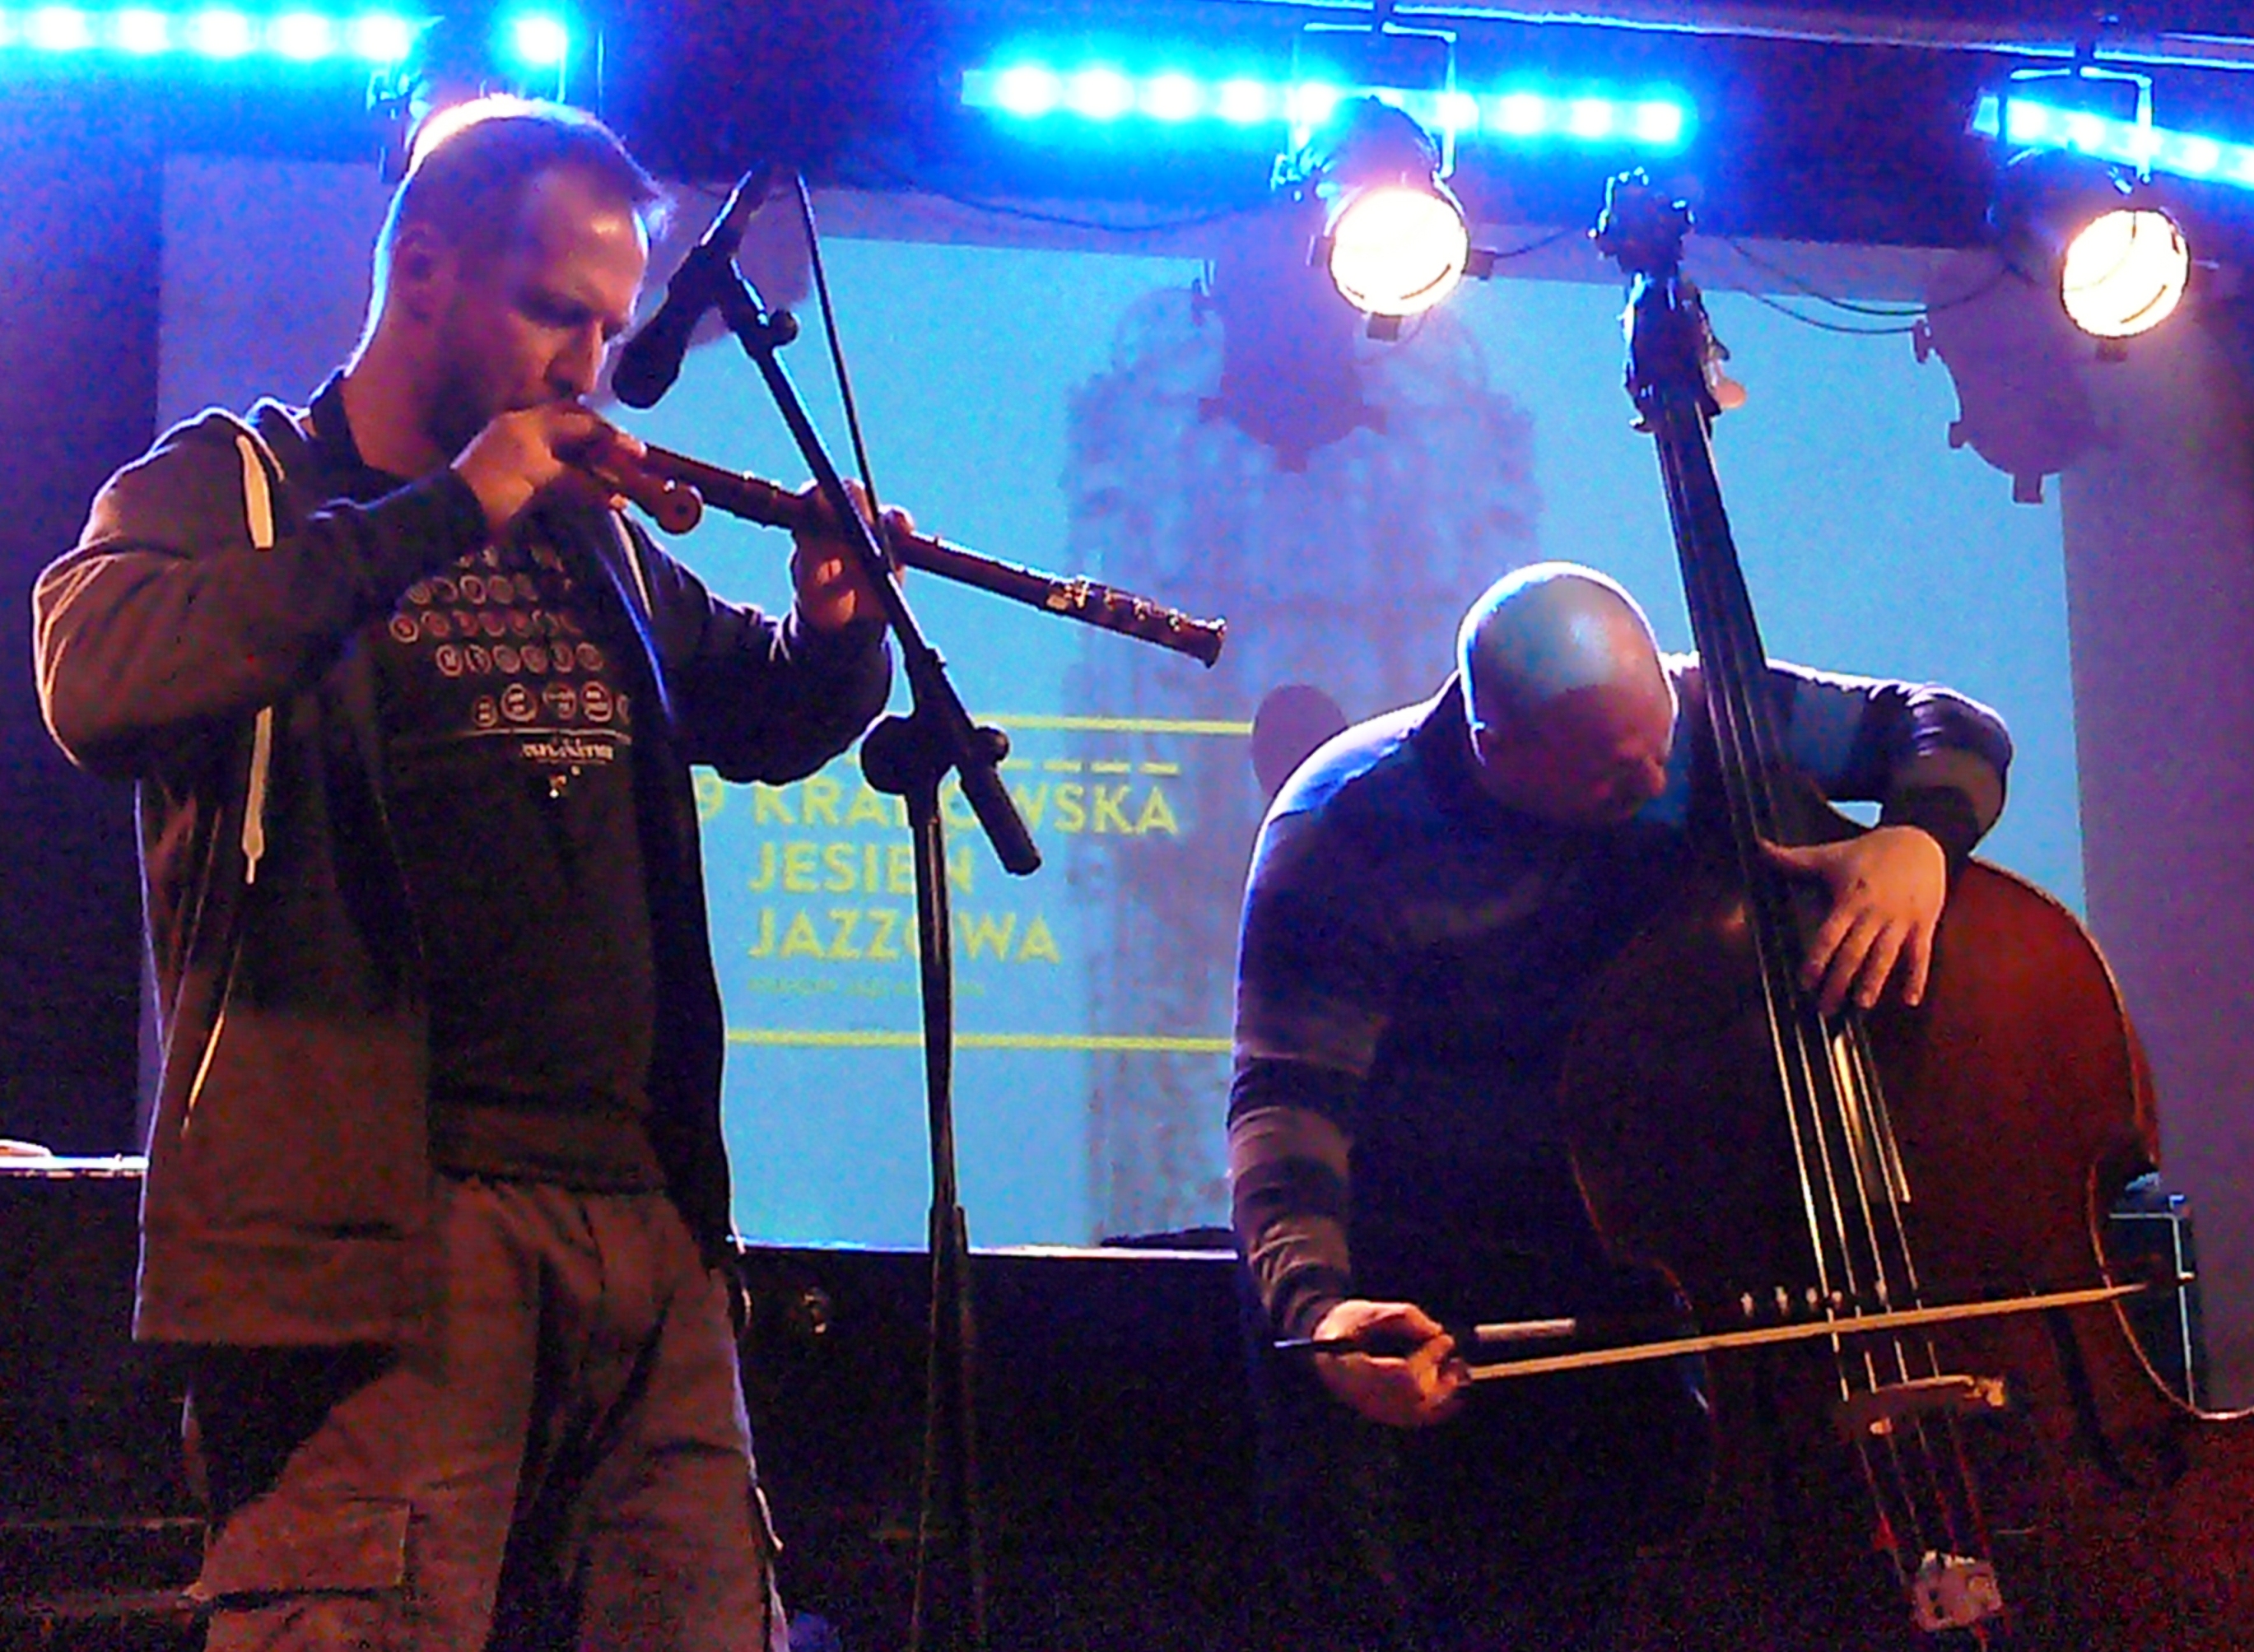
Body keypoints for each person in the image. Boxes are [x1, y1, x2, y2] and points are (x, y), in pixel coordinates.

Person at [31, 100, 895, 1650]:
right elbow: (95, 681)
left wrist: (835, 632)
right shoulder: (236, 486)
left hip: (645, 1234)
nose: (587, 365)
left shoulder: (588, 541)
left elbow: (757, 707)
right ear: (422, 270)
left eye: (610, 325)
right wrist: (448, 507)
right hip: (383, 1248)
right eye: (556, 312)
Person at [1228, 561, 2012, 1650]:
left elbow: (1952, 728)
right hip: (1455, 1287)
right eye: (1609, 769)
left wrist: (1919, 838)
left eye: (1659, 740)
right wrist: (1318, 1311)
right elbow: (1286, 1108)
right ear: (1495, 746)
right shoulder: (1345, 824)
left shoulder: (1705, 717)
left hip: (1667, 1254)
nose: (1654, 779)